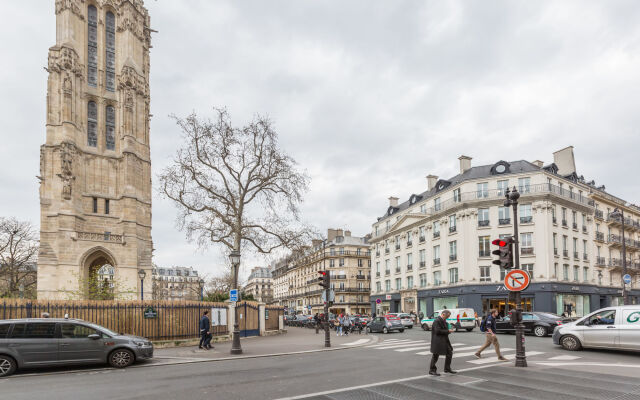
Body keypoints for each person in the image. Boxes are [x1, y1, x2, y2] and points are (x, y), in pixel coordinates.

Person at [429, 309, 456, 376]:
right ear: (443, 314)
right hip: (438, 341)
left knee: (449, 352)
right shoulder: (437, 321)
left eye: (448, 317)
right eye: (447, 316)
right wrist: (448, 331)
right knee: (435, 355)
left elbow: (444, 330)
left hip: (444, 340)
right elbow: (437, 331)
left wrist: (449, 330)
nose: (448, 318)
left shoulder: (444, 320)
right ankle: (432, 370)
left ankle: (447, 368)